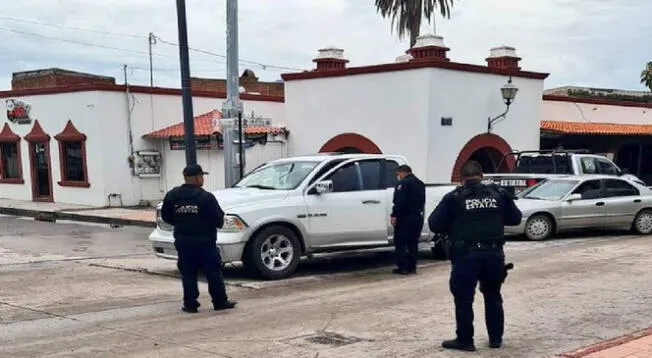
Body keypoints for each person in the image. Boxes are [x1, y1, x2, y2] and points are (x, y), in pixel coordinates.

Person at [428, 160, 522, 351]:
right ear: (482, 176)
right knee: (493, 295)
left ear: (462, 180)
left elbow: (434, 224)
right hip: (493, 254)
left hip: (465, 255)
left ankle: (465, 340)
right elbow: (516, 218)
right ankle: (495, 339)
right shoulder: (499, 195)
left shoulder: (454, 198)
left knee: (464, 299)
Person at [161, 164, 237, 313]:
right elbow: (219, 220)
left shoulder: (172, 195)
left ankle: (190, 304)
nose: (202, 179)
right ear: (196, 178)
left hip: (183, 241)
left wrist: (182, 223)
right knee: (213, 272)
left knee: (188, 273)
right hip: (205, 242)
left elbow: (166, 216)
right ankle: (220, 301)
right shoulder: (206, 197)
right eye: (201, 176)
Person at [390, 164, 426, 275]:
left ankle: (403, 268)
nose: (398, 176)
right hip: (417, 217)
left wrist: (394, 215)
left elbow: (399, 202)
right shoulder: (420, 183)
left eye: (398, 174)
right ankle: (412, 267)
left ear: (402, 172)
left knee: (401, 242)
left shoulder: (403, 183)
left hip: (405, 217)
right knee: (413, 243)